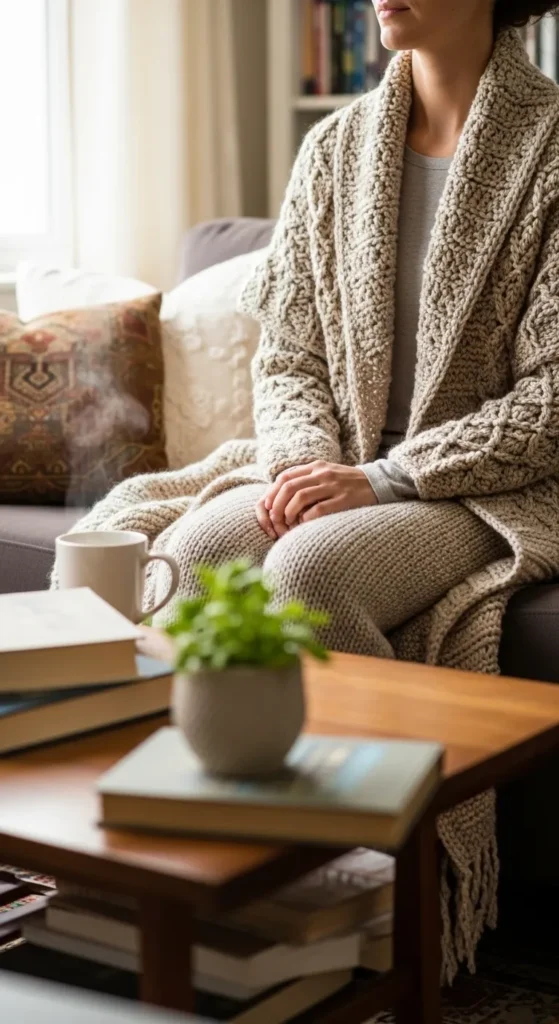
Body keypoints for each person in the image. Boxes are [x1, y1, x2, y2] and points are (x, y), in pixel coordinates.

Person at [66, 1, 559, 981]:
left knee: (307, 571)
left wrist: (380, 478)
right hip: (331, 464)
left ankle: (380, 909)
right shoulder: (334, 147)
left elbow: (551, 398)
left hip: (483, 486)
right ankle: (222, 891)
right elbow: (285, 354)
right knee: (192, 559)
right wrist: (302, 468)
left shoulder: (550, 148)